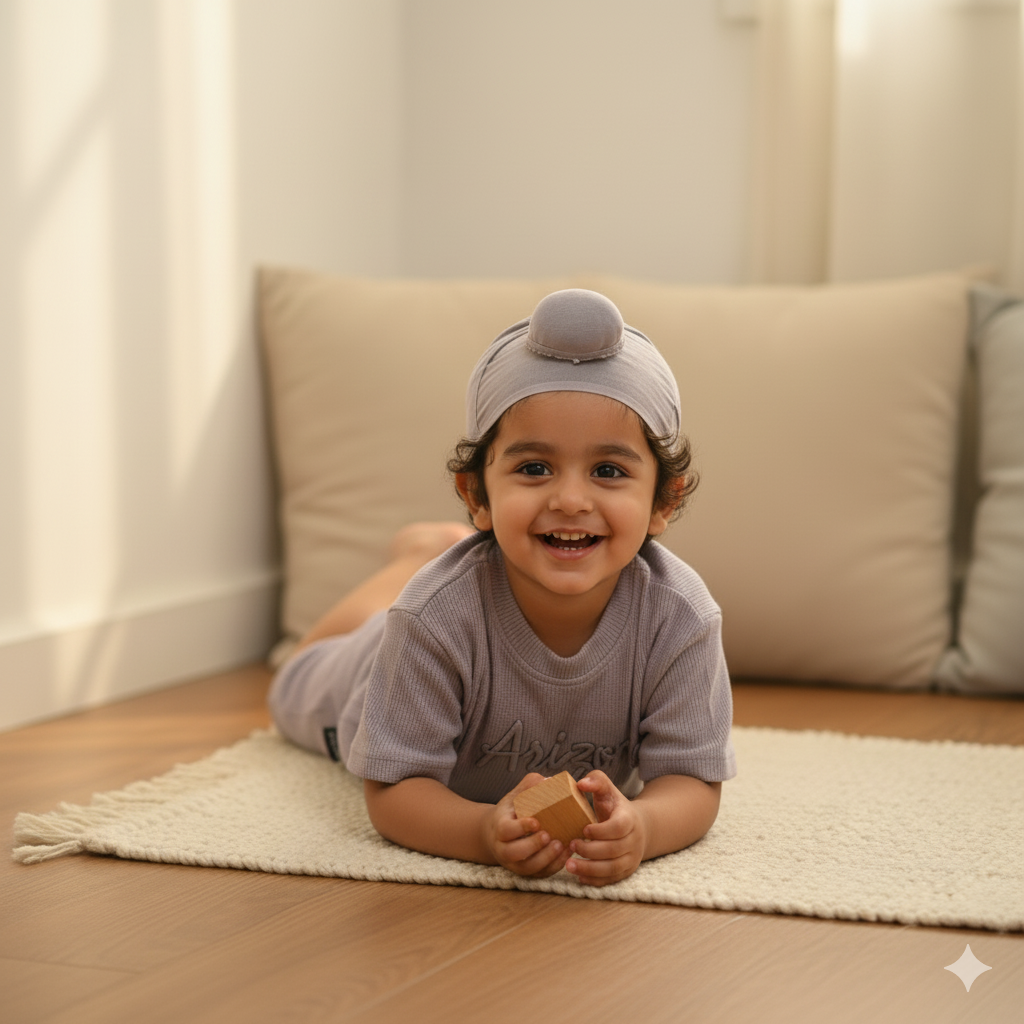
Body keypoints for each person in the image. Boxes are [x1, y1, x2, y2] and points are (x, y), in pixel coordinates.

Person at [269, 288, 735, 887]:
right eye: (534, 468)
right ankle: (414, 560)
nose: (570, 500)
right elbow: (393, 792)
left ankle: (421, 554)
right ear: (477, 496)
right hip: (366, 672)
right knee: (300, 673)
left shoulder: (681, 616)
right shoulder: (431, 618)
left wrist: (642, 827)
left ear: (663, 502)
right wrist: (482, 833)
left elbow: (692, 781)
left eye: (609, 471)